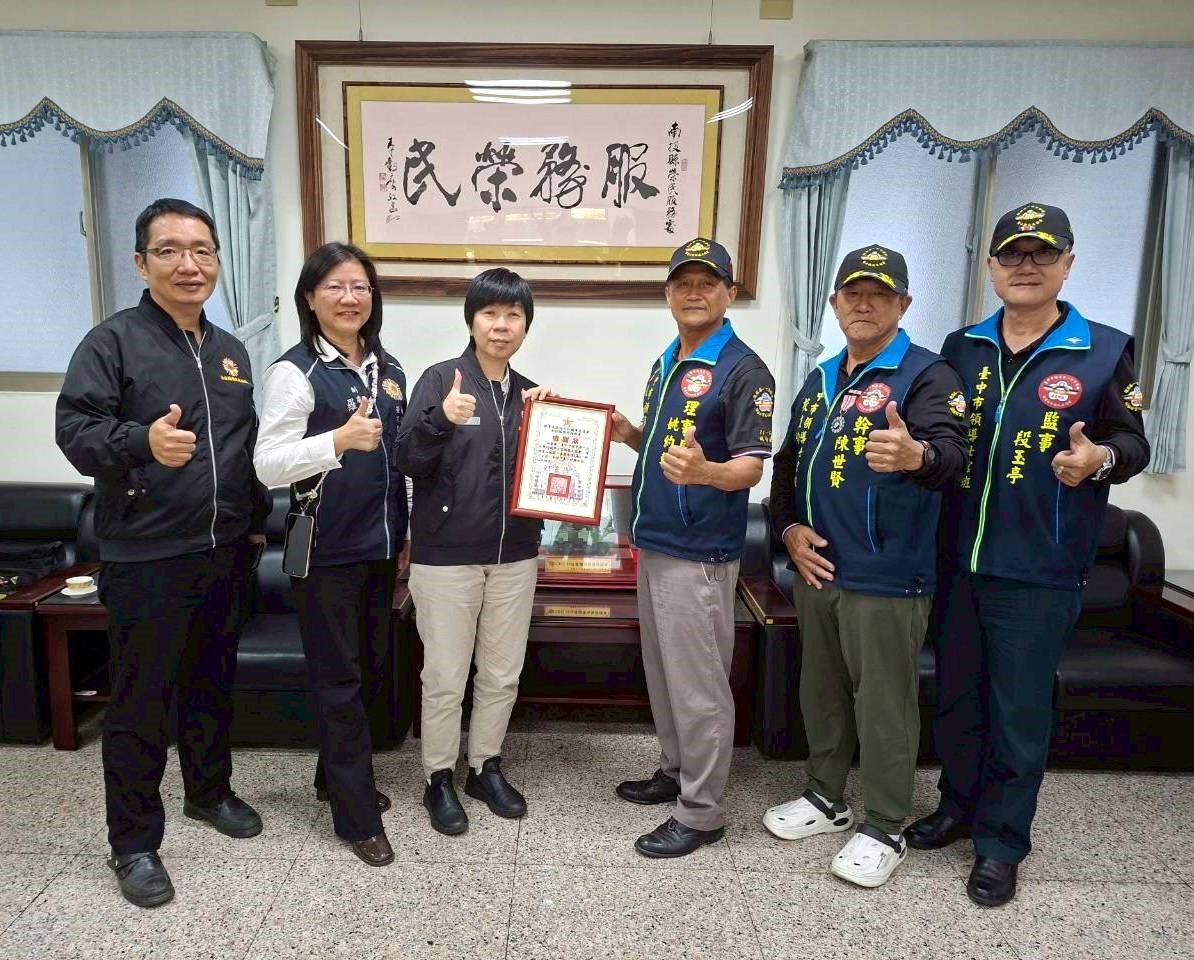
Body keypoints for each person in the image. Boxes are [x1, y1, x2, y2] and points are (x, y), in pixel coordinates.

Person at [907, 203, 1150, 906]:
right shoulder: (962, 347)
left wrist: (1100, 459)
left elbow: (1134, 443)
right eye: (1012, 253)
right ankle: (958, 807)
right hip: (958, 560)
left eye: (1042, 253)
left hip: (1040, 568)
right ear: (991, 265)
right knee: (958, 698)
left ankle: (1002, 842)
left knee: (1019, 712)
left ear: (1067, 263)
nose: (1026, 265)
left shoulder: (1103, 349)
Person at [56, 198, 270, 908]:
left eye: (202, 250)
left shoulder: (231, 352)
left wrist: (254, 522)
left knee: (211, 683)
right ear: (141, 262)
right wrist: (139, 442)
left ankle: (209, 793)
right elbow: (74, 429)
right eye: (170, 250)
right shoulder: (112, 342)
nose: (189, 264)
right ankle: (134, 842)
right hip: (147, 554)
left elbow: (241, 448)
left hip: (223, 550)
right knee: (141, 703)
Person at [764, 245, 967, 887]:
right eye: (853, 293)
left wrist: (916, 456)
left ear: (903, 304)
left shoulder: (928, 375)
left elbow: (953, 456)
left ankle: (885, 825)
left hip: (888, 573)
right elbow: (788, 466)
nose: (864, 304)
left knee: (884, 703)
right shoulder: (822, 377)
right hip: (819, 568)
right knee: (820, 691)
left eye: (880, 294)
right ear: (834, 303)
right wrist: (789, 531)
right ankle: (826, 798)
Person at [611, 237, 774, 858]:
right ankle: (675, 771)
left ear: (730, 293)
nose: (695, 293)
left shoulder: (744, 369)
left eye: (709, 283)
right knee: (664, 673)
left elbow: (749, 467)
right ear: (669, 293)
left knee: (699, 685)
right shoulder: (669, 360)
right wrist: (629, 433)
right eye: (684, 282)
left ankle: (702, 811)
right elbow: (664, 448)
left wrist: (707, 473)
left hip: (700, 550)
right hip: (656, 539)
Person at [253, 242, 407, 867]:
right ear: (310, 299)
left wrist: (406, 536)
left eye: (361, 287)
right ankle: (356, 815)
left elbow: (398, 462)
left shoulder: (388, 368)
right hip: (323, 552)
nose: (350, 298)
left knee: (368, 670)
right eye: (336, 287)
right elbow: (268, 465)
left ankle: (334, 777)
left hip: (381, 547)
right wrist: (337, 441)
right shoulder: (293, 373)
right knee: (339, 681)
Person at [395, 268, 551, 836]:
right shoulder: (441, 380)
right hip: (446, 556)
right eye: (490, 313)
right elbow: (405, 460)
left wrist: (557, 425)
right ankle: (438, 776)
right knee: (444, 675)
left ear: (525, 327)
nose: (501, 325)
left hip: (515, 555)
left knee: (503, 673)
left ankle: (486, 766)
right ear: (471, 321)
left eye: (513, 315)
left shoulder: (532, 395)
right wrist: (442, 420)